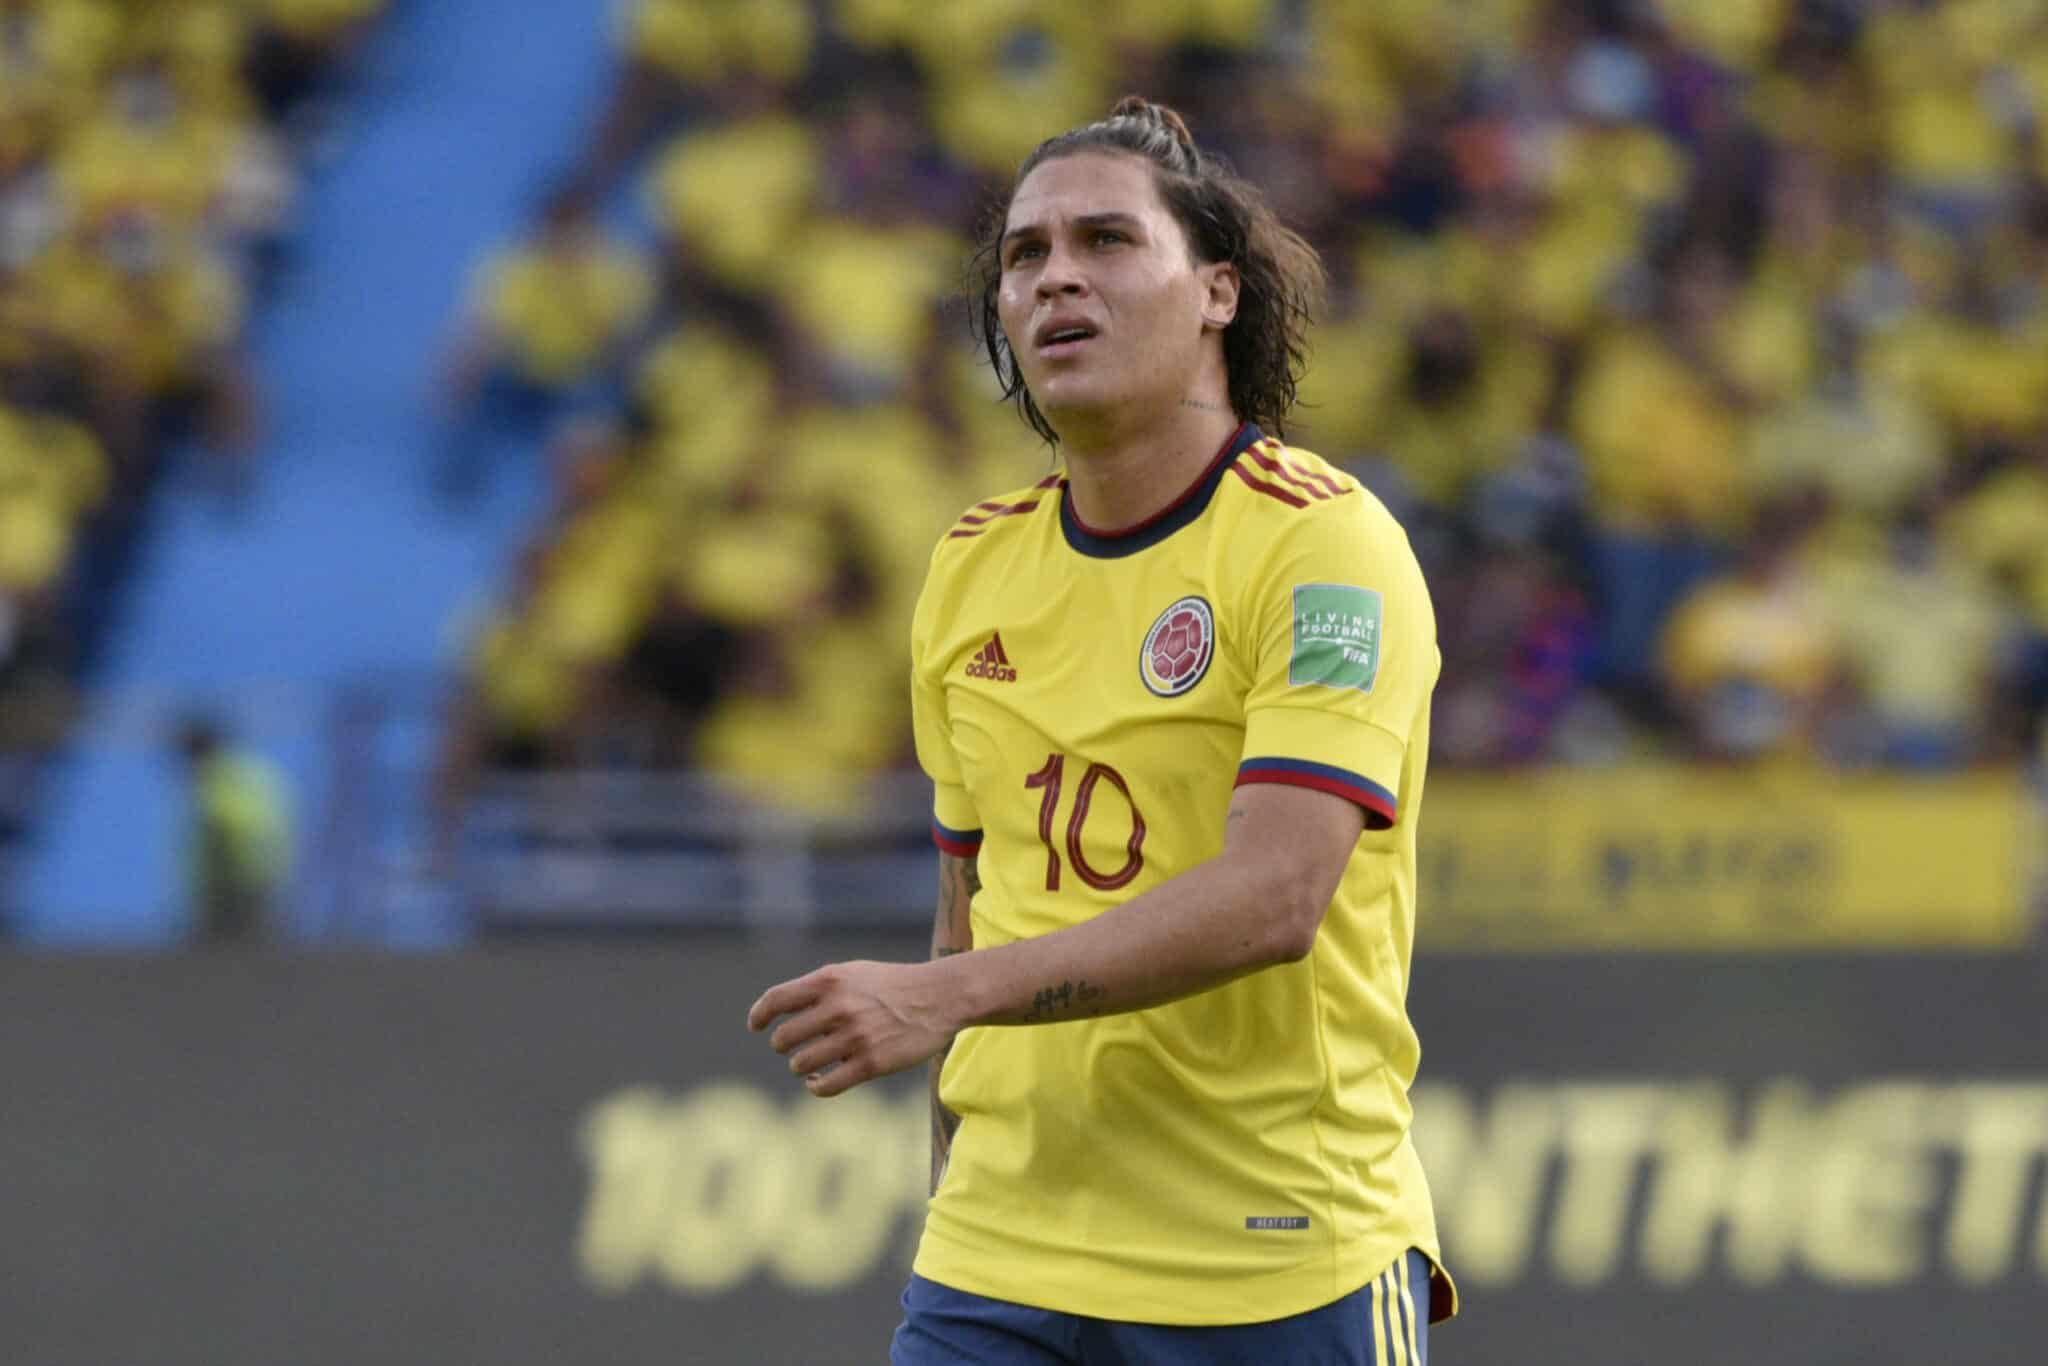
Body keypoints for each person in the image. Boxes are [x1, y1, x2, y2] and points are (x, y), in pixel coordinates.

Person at [748, 97, 1456, 1364]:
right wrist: (950, 1179)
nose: (1055, 275)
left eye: (1106, 241)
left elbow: (1276, 895)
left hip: (1270, 1260)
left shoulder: (1321, 544)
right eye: (1024, 255)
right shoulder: (970, 570)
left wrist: (941, 999)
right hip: (997, 1263)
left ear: (1216, 294)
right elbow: (971, 899)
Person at [175, 713, 292, 945]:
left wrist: (209, 891)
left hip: (232, 889)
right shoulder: (255, 773)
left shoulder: (211, 783)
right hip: (263, 880)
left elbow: (220, 832)